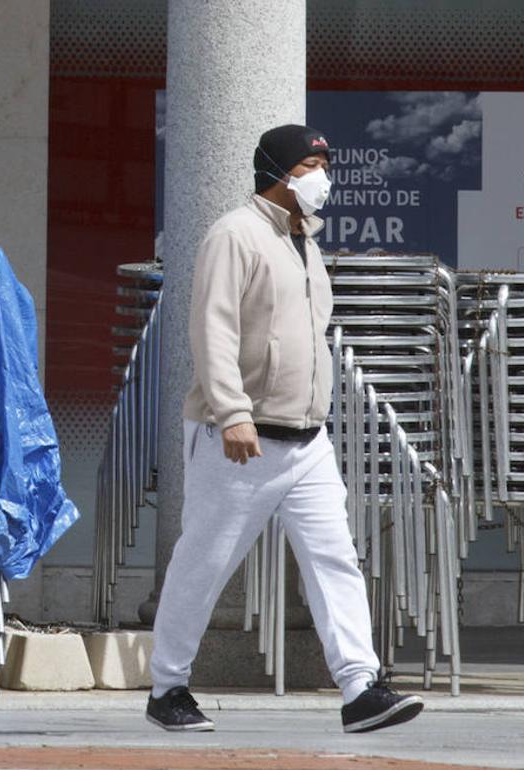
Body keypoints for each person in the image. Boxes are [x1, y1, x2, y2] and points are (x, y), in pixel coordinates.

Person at [144, 124, 424, 734]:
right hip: (241, 438)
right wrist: (233, 411)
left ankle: (360, 688)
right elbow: (211, 329)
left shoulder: (306, 243)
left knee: (335, 561)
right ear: (278, 170)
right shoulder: (234, 234)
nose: (323, 174)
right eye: (311, 163)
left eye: (325, 161)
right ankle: (167, 687)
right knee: (205, 562)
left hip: (306, 440)